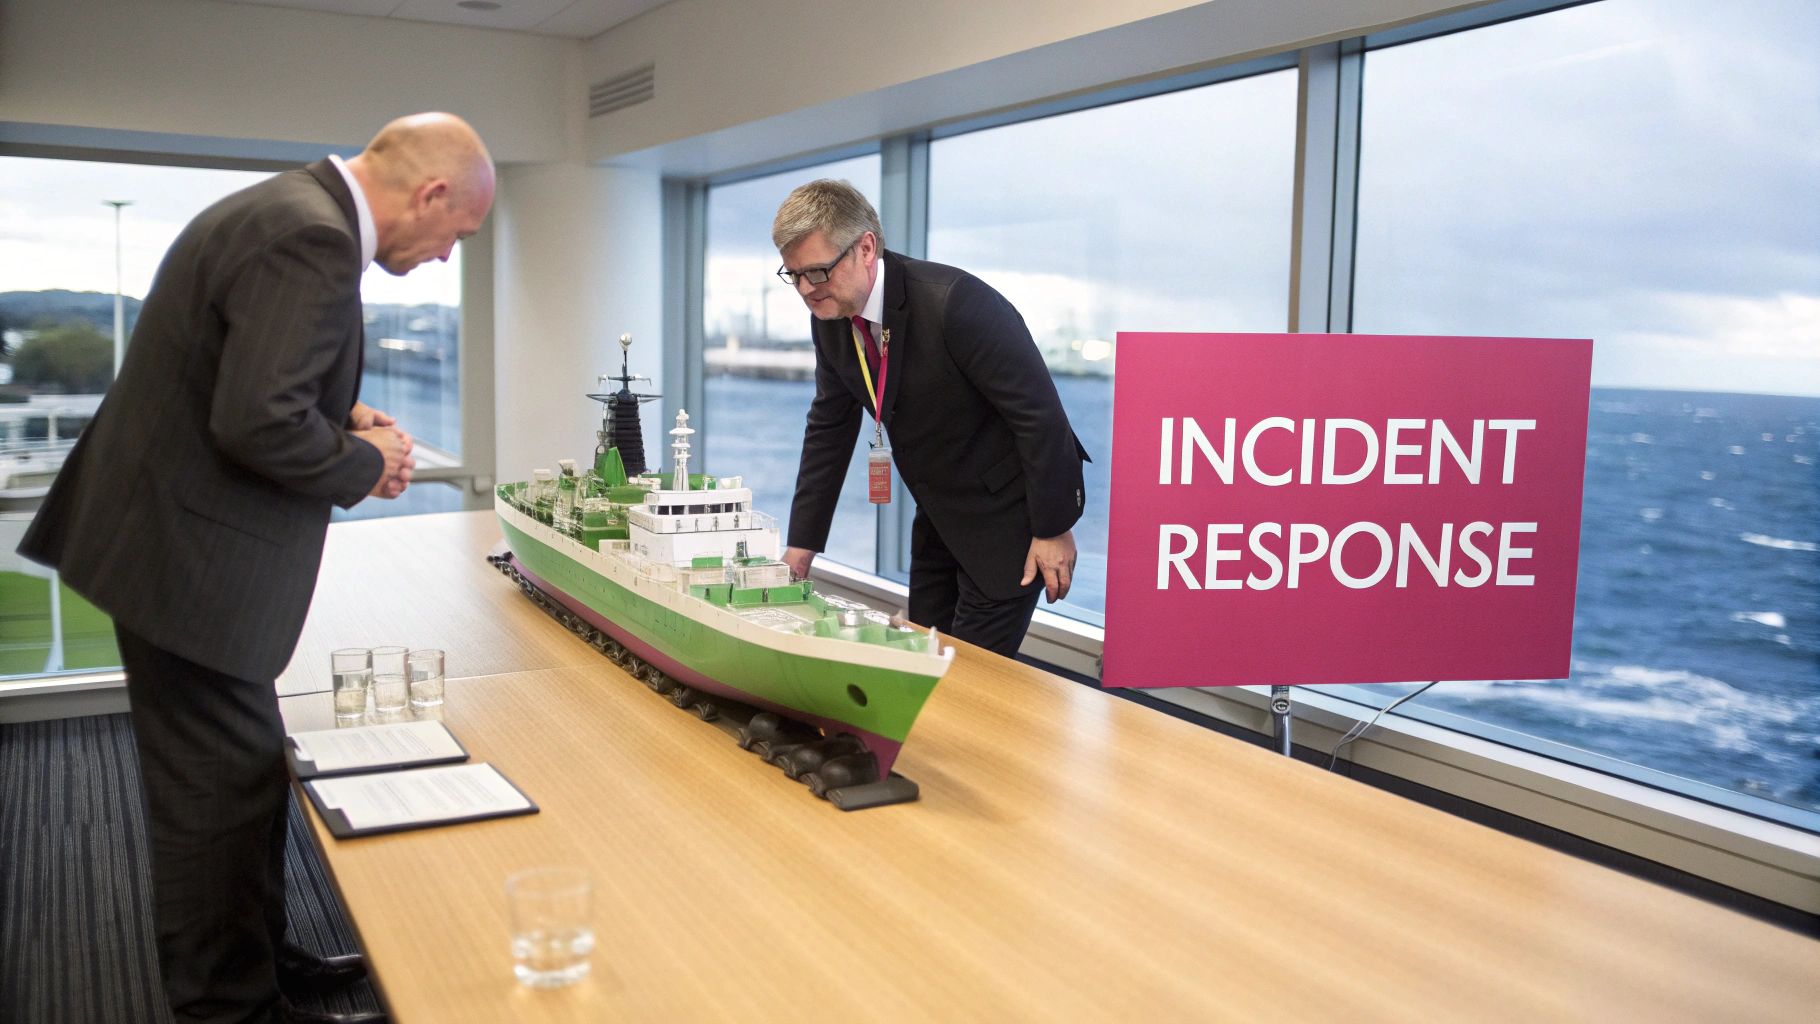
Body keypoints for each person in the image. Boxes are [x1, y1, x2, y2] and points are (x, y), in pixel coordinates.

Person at [17, 112, 495, 1024]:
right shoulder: (312, 238)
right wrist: (372, 464)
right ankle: (230, 1006)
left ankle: (264, 963)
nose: (444, 258)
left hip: (167, 551)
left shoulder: (283, 207)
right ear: (431, 194)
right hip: (188, 568)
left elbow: (244, 370)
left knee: (240, 777)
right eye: (456, 236)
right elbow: (256, 421)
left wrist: (344, 411)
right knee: (214, 797)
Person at [772, 180, 1088, 658]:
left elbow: (1040, 417)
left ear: (866, 247)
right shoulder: (832, 320)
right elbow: (828, 430)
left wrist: (1052, 528)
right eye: (792, 274)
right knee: (923, 661)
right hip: (939, 518)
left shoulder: (954, 301)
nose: (805, 290)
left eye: (817, 272)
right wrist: (802, 545)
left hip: (1009, 525)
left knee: (970, 683)